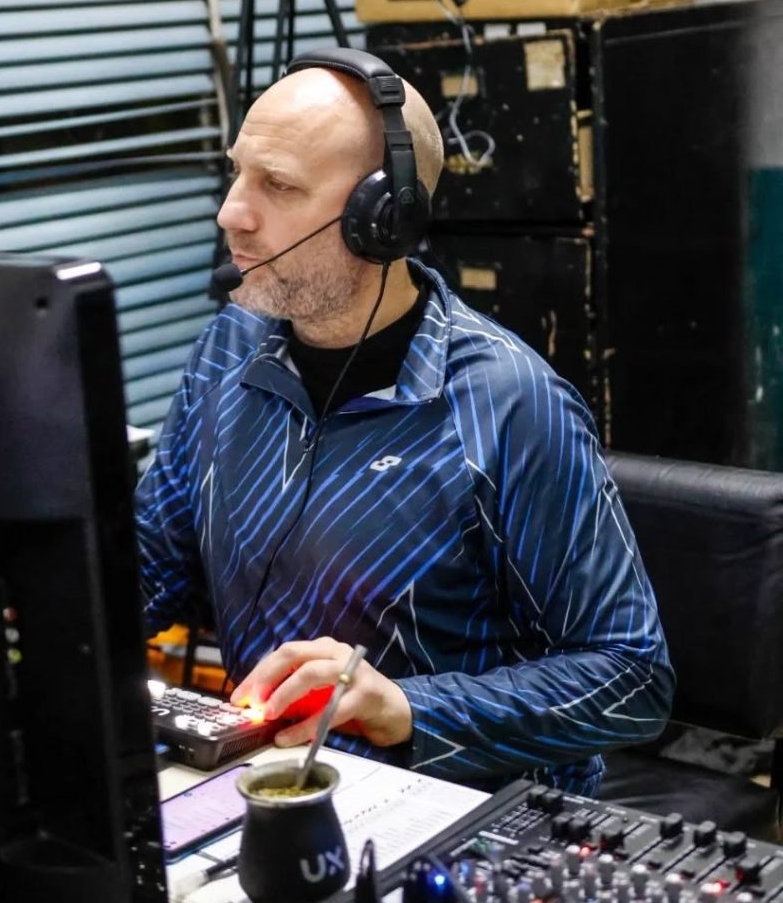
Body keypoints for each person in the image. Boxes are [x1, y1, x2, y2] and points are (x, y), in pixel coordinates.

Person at [135, 49, 673, 796]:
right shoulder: (228, 348)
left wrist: (407, 707)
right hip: (275, 785)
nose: (232, 211)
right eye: (238, 172)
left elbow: (632, 678)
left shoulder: (509, 402)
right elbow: (153, 562)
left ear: (382, 217)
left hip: (467, 815)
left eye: (278, 185)